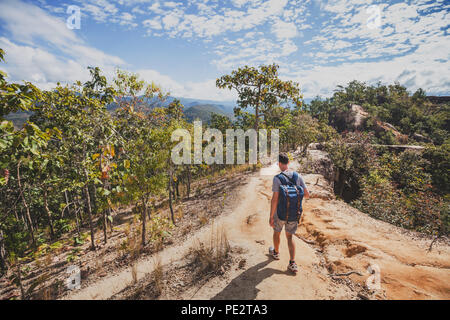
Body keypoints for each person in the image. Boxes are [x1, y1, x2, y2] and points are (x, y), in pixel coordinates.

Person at [269, 153, 309, 273]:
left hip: (280, 213)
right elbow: (307, 194)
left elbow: (275, 199)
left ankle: (276, 253)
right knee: (290, 237)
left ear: (279, 164)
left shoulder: (277, 178)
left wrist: (271, 216)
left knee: (277, 232)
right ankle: (292, 263)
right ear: (288, 163)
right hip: (293, 213)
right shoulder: (298, 176)